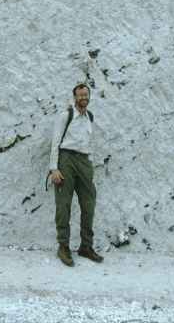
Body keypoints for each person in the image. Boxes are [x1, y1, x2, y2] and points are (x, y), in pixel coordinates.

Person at [48, 83, 104, 266]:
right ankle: (63, 246)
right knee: (63, 204)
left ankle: (86, 246)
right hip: (66, 160)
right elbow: (55, 142)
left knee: (89, 203)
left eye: (86, 95)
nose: (83, 98)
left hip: (84, 162)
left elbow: (89, 141)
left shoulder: (90, 117)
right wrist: (54, 168)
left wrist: (90, 163)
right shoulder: (66, 116)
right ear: (74, 97)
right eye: (80, 95)